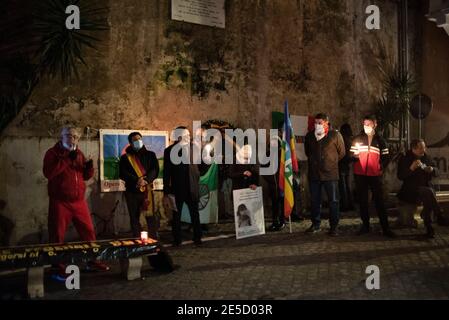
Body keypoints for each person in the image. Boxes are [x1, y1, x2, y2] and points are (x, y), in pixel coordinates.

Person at [43, 126, 109, 280]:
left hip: (78, 200)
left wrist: (89, 168)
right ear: (62, 137)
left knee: (88, 231)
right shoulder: (52, 153)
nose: (72, 139)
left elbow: (83, 176)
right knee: (57, 234)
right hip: (60, 200)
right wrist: (66, 159)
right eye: (69, 135)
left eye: (75, 136)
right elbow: (49, 173)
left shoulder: (78, 153)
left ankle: (91, 260)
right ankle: (57, 266)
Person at [350, 115, 395, 237]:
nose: (366, 127)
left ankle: (386, 228)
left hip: (375, 175)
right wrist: (354, 156)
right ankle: (365, 226)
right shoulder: (357, 139)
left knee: (379, 201)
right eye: (365, 124)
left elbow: (386, 158)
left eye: (369, 124)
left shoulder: (381, 141)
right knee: (363, 202)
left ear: (375, 124)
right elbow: (350, 156)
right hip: (360, 175)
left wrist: (381, 168)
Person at [397, 139, 449, 238]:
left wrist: (432, 169)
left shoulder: (426, 157)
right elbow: (400, 176)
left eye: (424, 147)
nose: (423, 150)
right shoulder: (405, 158)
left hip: (426, 190)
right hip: (410, 191)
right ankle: (439, 217)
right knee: (428, 193)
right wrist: (411, 169)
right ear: (413, 149)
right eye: (421, 148)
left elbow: (438, 171)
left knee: (427, 195)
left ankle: (430, 229)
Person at [304, 113, 345, 236]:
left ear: (327, 123)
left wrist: (330, 162)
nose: (317, 125)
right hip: (314, 174)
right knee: (315, 200)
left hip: (330, 174)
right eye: (316, 123)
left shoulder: (335, 135)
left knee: (333, 201)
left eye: (320, 123)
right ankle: (315, 224)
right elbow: (308, 152)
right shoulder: (310, 136)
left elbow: (341, 153)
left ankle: (334, 227)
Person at [163, 127, 202, 246]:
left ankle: (198, 238)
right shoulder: (169, 150)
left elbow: (200, 165)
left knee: (195, 214)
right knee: (176, 216)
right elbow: (167, 171)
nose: (188, 136)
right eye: (186, 134)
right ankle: (177, 239)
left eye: (189, 134)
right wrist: (167, 190)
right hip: (177, 188)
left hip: (192, 187)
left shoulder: (194, 148)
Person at [119, 132, 160, 239]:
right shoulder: (125, 158)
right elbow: (122, 173)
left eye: (139, 139)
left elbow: (155, 170)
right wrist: (136, 180)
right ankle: (137, 240)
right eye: (135, 140)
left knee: (150, 216)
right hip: (132, 191)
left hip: (147, 191)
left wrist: (145, 180)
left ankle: (153, 239)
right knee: (134, 217)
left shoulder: (151, 155)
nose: (138, 141)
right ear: (130, 143)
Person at [339, 123, 355, 212]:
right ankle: (351, 204)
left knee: (343, 187)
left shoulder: (342, 139)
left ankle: (344, 205)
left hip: (341, 164)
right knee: (348, 186)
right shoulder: (350, 139)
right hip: (348, 165)